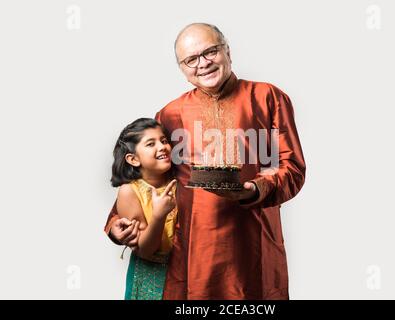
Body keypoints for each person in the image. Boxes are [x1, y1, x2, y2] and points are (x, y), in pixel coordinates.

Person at [105, 23, 306, 299]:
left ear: (227, 51)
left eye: (210, 52)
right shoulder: (170, 114)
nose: (203, 64)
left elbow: (293, 169)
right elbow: (149, 179)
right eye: (191, 59)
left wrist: (254, 189)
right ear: (183, 69)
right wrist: (117, 222)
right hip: (191, 251)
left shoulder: (268, 98)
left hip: (254, 245)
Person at [110, 118, 177, 300]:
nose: (162, 146)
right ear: (133, 159)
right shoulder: (129, 192)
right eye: (150, 144)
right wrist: (158, 216)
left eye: (164, 141)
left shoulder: (180, 181)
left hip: (182, 272)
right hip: (150, 275)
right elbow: (145, 250)